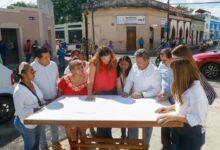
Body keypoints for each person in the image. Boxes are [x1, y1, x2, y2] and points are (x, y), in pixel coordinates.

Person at [156, 58, 208, 150]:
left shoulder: (196, 92)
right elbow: (183, 105)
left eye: (174, 73)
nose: (172, 76)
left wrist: (173, 117)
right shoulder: (185, 86)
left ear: (181, 74)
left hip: (192, 134)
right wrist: (169, 108)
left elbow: (197, 118)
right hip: (180, 129)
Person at [122, 49, 162, 147]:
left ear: (147, 60)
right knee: (133, 123)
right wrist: (126, 91)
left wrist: (143, 95)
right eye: (137, 61)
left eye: (140, 62)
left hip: (148, 101)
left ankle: (145, 145)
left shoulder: (155, 71)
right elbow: (129, 80)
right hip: (135, 100)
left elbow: (157, 90)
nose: (138, 64)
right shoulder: (135, 67)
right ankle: (132, 145)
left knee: (147, 125)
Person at [31, 48, 64, 150]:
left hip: (54, 99)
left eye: (49, 56)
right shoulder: (32, 67)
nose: (48, 59)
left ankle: (55, 143)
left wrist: (58, 94)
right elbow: (31, 85)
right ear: (38, 58)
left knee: (54, 123)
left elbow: (57, 79)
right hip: (40, 102)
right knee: (41, 126)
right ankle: (43, 146)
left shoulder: (53, 65)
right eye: (45, 58)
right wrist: (40, 99)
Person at [87, 46, 118, 138]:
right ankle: (101, 141)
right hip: (100, 94)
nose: (105, 60)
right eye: (103, 58)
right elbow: (90, 79)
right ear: (99, 57)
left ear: (111, 56)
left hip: (112, 92)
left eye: (107, 57)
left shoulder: (114, 61)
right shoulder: (94, 63)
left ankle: (108, 138)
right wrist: (89, 93)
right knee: (101, 119)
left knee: (110, 118)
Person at [13, 62, 45, 150]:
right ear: (23, 74)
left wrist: (46, 103)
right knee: (30, 146)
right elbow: (20, 111)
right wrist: (36, 109)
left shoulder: (32, 83)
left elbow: (40, 98)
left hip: (37, 119)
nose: (34, 72)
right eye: (32, 71)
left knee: (36, 144)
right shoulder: (18, 91)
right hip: (25, 123)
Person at [58, 60, 87, 150]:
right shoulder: (64, 80)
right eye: (78, 68)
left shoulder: (88, 78)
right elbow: (59, 95)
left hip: (83, 110)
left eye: (82, 67)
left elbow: (92, 93)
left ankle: (83, 146)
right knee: (71, 130)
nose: (81, 69)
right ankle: (73, 147)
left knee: (83, 129)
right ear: (72, 70)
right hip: (68, 111)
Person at [157, 48, 174, 150]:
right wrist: (160, 91)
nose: (162, 63)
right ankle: (165, 145)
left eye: (164, 60)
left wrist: (167, 96)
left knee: (175, 124)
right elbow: (160, 80)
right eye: (161, 60)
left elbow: (178, 85)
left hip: (175, 98)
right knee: (165, 122)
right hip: (165, 98)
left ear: (171, 58)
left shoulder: (177, 67)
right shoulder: (161, 65)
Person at [116, 56, 132, 139]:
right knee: (122, 117)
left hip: (131, 99)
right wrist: (122, 94)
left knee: (130, 119)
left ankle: (130, 136)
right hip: (121, 98)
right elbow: (118, 89)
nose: (123, 66)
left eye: (126, 64)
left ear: (129, 64)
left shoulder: (132, 73)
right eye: (121, 64)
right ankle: (123, 134)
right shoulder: (117, 74)